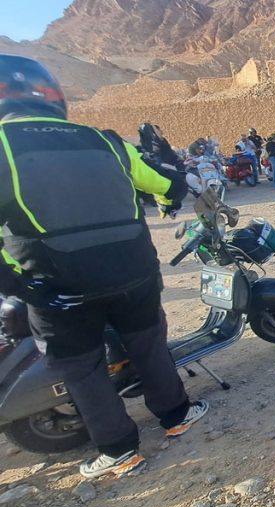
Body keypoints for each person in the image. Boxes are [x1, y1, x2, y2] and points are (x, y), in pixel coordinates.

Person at [0, 55, 205, 478]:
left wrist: (23, 287)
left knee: (82, 368)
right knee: (149, 346)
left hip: (57, 283)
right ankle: (177, 415)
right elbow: (166, 183)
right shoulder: (106, 140)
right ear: (53, 95)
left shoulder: (4, 144)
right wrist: (167, 198)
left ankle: (119, 450)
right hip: (135, 272)